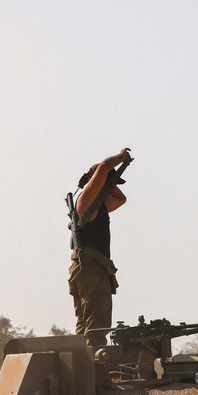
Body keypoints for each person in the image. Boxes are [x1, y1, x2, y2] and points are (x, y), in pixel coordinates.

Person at [69, 147, 133, 343]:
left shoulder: (98, 207)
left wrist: (109, 185)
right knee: (96, 323)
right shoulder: (85, 202)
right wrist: (121, 158)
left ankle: (83, 355)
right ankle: (93, 356)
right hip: (91, 267)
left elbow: (121, 199)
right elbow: (104, 167)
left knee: (89, 323)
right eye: (107, 184)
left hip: (93, 267)